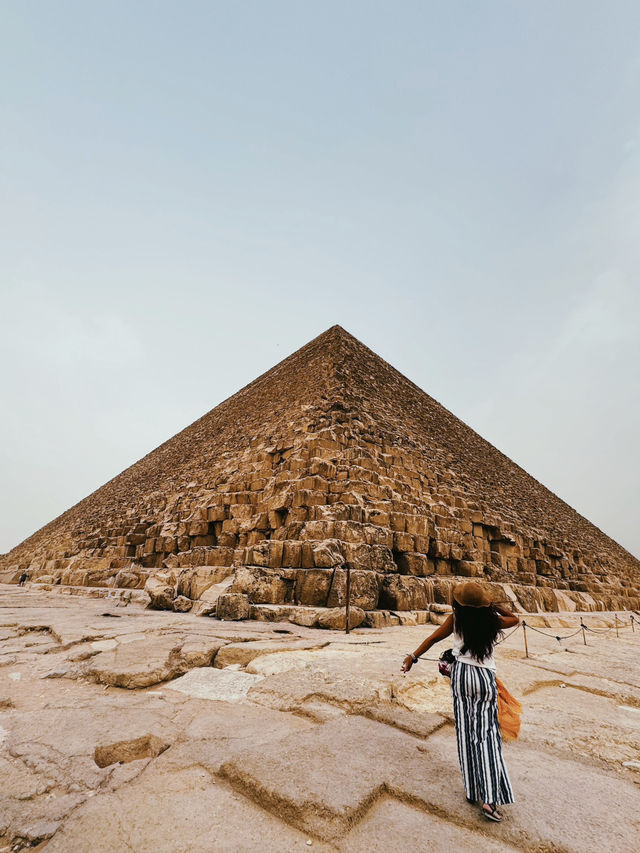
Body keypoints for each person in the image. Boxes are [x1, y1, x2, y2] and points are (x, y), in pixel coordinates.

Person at [401, 581, 519, 822]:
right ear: (483, 604)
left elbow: (433, 639)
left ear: (459, 603)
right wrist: (494, 606)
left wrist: (412, 657)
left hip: (461, 676)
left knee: (465, 732)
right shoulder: (491, 621)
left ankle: (472, 790)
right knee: (486, 736)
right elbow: (515, 619)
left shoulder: (456, 620)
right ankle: (489, 799)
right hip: (483, 678)